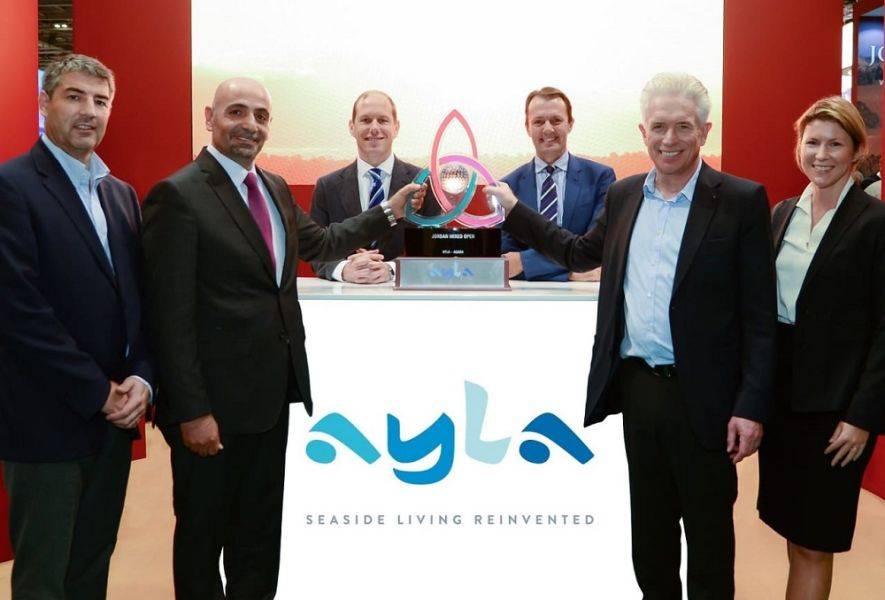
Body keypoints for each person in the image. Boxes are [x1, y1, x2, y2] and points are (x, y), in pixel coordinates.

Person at [486, 72, 776, 598]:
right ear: (643, 131)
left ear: (704, 131)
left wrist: (751, 406)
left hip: (708, 400)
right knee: (651, 539)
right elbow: (577, 253)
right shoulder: (623, 196)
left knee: (709, 542)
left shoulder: (740, 200)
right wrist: (514, 212)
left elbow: (759, 315)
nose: (669, 139)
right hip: (640, 392)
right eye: (659, 127)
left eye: (683, 127)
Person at [141, 77, 423, 599]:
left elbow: (325, 241)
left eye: (261, 116)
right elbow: (169, 317)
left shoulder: (271, 188)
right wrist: (192, 411)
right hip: (212, 412)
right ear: (209, 117)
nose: (250, 125)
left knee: (257, 540)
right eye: (236, 112)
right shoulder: (177, 195)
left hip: (270, 402)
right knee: (203, 540)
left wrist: (391, 210)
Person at [0, 54, 153, 599]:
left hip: (113, 423)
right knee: (45, 578)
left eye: (100, 100)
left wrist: (142, 377)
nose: (89, 111)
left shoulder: (120, 194)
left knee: (91, 569)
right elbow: (18, 312)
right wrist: (98, 392)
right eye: (74, 96)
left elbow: (138, 301)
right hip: (46, 421)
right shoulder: (12, 186)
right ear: (44, 103)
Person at [758, 96, 885, 600]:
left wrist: (862, 417)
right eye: (813, 142)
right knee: (793, 533)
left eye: (835, 144)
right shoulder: (781, 214)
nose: (822, 154)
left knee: (815, 542)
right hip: (783, 403)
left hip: (837, 412)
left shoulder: (875, 222)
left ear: (856, 151)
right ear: (799, 147)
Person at [310, 90, 438, 283]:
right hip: (343, 295)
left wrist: (392, 269)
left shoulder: (424, 182)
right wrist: (344, 269)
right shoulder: (327, 186)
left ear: (396, 127)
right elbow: (315, 249)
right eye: (366, 120)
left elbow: (436, 249)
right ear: (352, 127)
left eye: (383, 120)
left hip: (402, 296)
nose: (374, 128)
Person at [500, 86, 615, 282]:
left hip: (582, 295)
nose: (548, 129)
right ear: (527, 127)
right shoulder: (508, 187)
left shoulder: (601, 178)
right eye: (538, 122)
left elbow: (596, 249)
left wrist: (525, 262)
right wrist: (571, 271)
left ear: (570, 124)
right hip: (526, 295)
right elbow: (508, 261)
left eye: (556, 120)